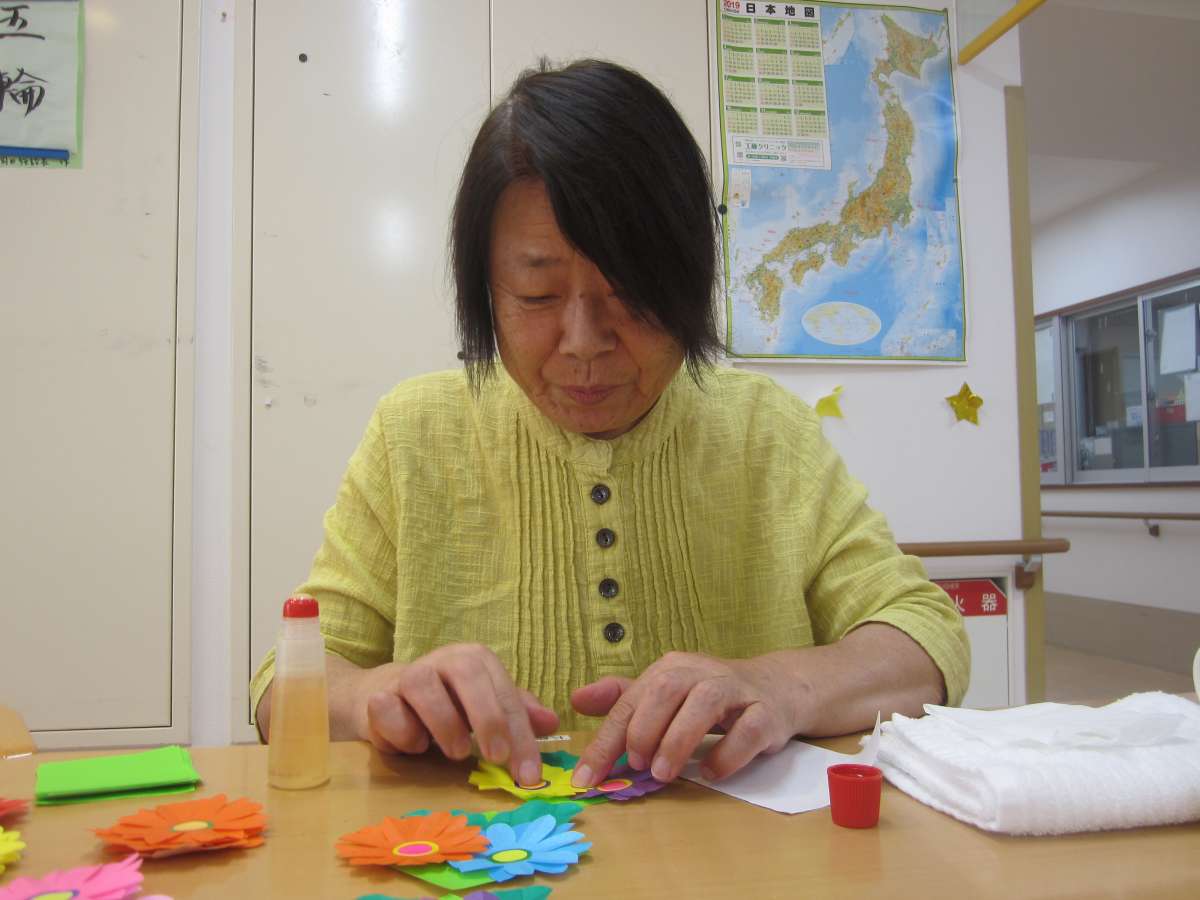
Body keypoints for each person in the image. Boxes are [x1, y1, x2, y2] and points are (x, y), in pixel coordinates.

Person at [252, 58, 968, 792]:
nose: (584, 342)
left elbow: (925, 637)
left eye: (628, 293)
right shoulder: (414, 434)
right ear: (485, 292)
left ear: (687, 280)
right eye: (537, 295)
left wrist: (780, 685)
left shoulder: (766, 431)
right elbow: (285, 686)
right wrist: (376, 694)